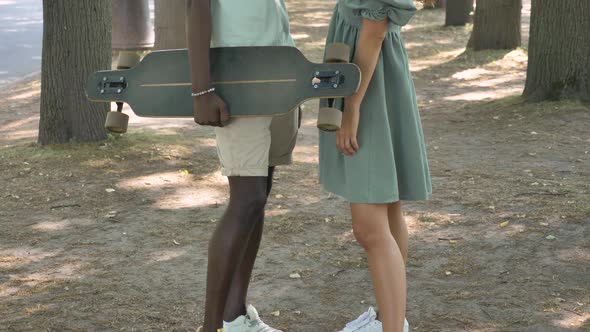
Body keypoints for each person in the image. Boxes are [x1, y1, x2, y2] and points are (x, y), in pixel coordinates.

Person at [318, 0, 432, 331]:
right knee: (387, 206)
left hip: (367, 81)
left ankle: (392, 326)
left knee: (368, 226)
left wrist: (351, 107)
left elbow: (374, 31)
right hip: (370, 72)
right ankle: (390, 321)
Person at [186, 1, 299, 331]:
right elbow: (196, 7)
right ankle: (210, 327)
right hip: (238, 79)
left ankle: (233, 318)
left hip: (279, 69)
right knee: (247, 199)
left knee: (259, 196)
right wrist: (201, 90)